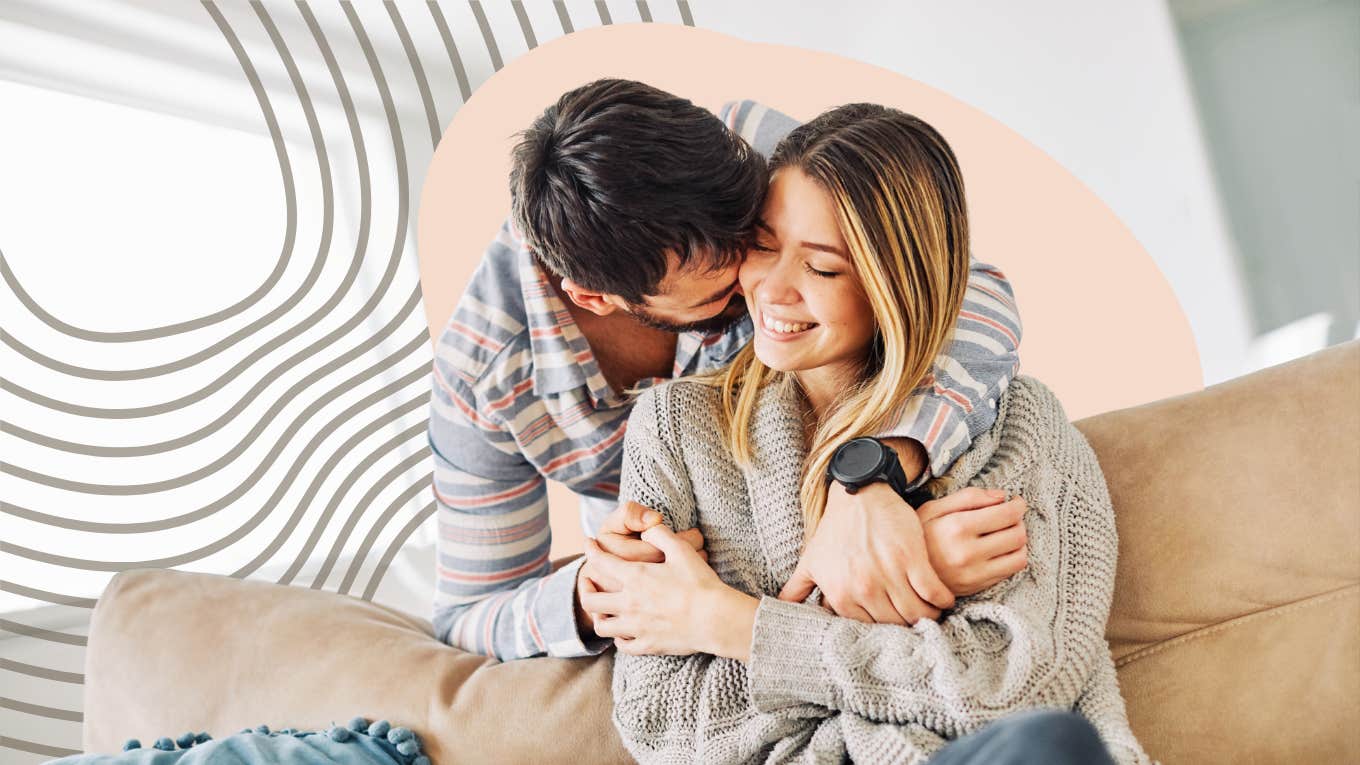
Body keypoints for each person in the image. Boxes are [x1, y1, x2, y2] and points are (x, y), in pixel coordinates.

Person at [582, 103, 1154, 764]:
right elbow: (661, 722)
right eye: (763, 245)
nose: (774, 288)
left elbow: (1012, 687)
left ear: (894, 285)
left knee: (1051, 746)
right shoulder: (674, 430)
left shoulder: (1017, 429)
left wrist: (731, 622)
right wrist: (904, 593)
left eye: (822, 268)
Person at [429, 79, 1030, 661]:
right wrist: (596, 594)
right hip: (679, 622)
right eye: (720, 291)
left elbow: (955, 282)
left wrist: (870, 473)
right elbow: (468, 615)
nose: (761, 284)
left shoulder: (748, 156)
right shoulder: (484, 378)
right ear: (594, 298)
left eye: (757, 240)